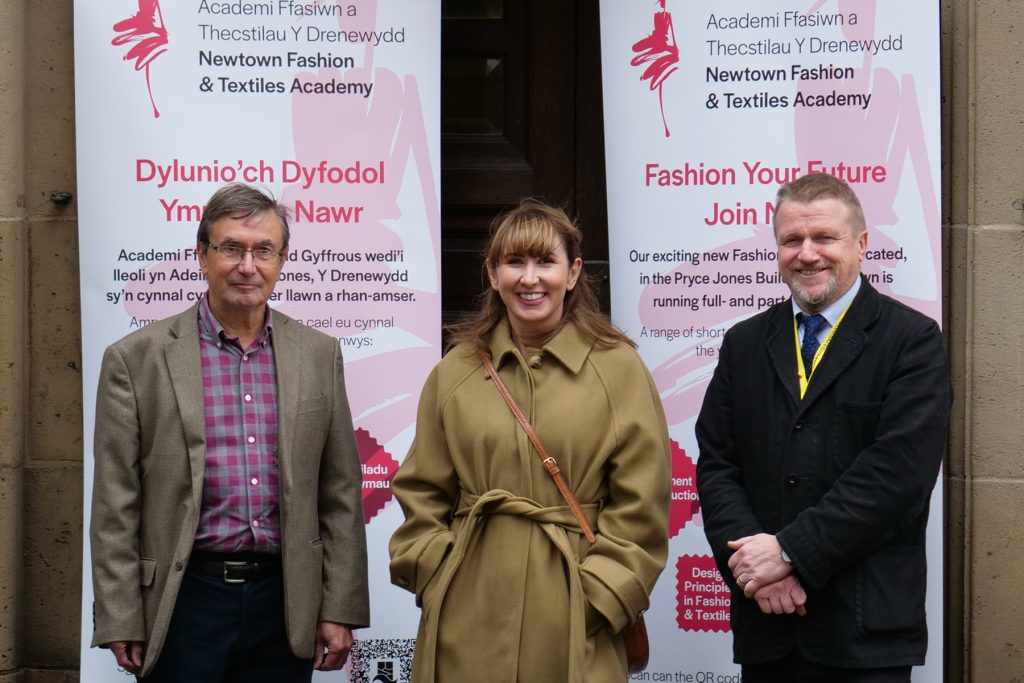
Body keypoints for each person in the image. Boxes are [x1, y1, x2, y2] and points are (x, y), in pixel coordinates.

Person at [89, 183, 369, 681]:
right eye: (232, 249)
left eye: (264, 250)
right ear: (202, 255)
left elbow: (341, 491)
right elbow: (116, 499)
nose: (248, 265)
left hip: (285, 601)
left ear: (282, 260)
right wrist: (119, 612)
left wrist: (339, 605)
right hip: (184, 599)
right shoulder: (136, 360)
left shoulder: (319, 355)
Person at [388, 199, 671, 682]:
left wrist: (599, 597)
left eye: (545, 261)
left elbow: (642, 504)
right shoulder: (455, 370)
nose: (530, 278)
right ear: (493, 274)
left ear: (574, 272)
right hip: (466, 611)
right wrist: (437, 574)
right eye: (514, 262)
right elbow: (422, 489)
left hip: (574, 618)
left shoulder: (619, 369)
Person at [695, 173, 951, 682]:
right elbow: (717, 465)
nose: (807, 254)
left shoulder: (912, 342)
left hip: (863, 632)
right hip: (769, 624)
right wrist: (757, 573)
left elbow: (894, 477)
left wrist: (790, 553)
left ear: (860, 244)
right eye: (792, 240)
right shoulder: (743, 344)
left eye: (824, 238)